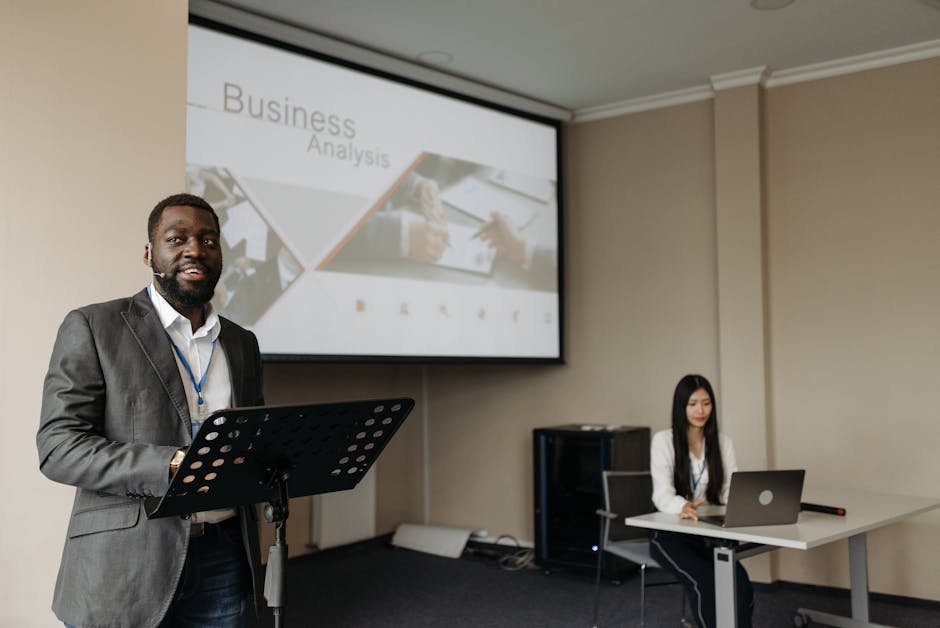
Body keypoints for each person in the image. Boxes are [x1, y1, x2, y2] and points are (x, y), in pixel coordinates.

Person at [37, 193, 265, 628]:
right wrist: (172, 462)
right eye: (176, 238)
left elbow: (250, 433)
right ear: (149, 254)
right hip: (125, 560)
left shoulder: (241, 342)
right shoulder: (93, 326)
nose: (195, 249)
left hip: (224, 551)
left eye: (208, 240)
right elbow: (58, 447)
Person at [648, 374, 754, 628]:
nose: (700, 410)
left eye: (706, 403)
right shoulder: (664, 441)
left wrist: (744, 503)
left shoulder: (722, 443)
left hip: (709, 532)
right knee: (705, 583)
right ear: (681, 406)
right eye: (693, 403)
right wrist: (681, 506)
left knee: (740, 584)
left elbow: (729, 490)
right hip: (670, 535)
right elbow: (661, 494)